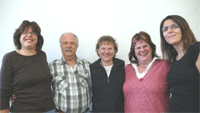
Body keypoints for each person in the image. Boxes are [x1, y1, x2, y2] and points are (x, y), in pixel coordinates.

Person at [0, 20, 55, 112]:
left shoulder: (42, 55)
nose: (29, 35)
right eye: (25, 32)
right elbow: (3, 91)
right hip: (22, 110)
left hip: (48, 109)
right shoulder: (9, 58)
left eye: (33, 33)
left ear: (38, 38)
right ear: (19, 36)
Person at [160, 15, 200, 112]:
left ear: (183, 28)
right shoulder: (174, 59)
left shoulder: (196, 49)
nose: (169, 31)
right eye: (165, 29)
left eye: (174, 26)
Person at [123, 31, 170, 112]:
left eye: (145, 46)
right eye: (138, 48)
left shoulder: (164, 66)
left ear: (151, 47)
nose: (142, 50)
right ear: (133, 51)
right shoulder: (128, 69)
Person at [48, 32, 92, 113]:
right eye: (65, 43)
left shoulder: (87, 65)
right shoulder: (52, 66)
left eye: (72, 43)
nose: (69, 46)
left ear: (77, 46)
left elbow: (92, 89)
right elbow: (42, 89)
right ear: (61, 46)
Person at [90, 35, 125, 112]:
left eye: (110, 49)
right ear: (97, 50)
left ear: (115, 51)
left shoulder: (122, 66)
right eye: (103, 48)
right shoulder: (91, 68)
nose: (106, 52)